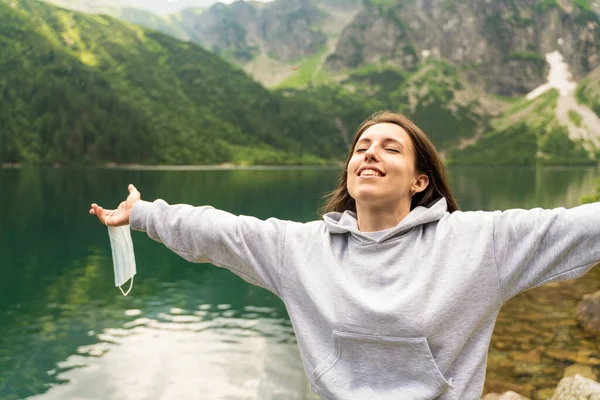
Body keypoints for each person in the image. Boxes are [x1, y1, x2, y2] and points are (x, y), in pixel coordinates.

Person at [90, 110, 600, 400]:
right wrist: (143, 214)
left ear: (420, 181)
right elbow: (224, 232)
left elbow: (575, 227)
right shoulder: (302, 251)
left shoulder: (477, 244)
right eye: (362, 147)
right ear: (350, 171)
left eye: (390, 148)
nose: (370, 153)